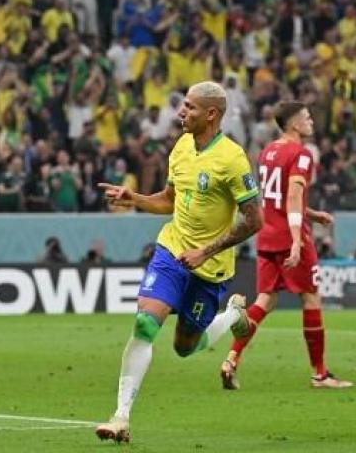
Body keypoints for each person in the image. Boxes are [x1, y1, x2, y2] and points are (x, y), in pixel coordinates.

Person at [94, 81, 262, 443]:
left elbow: (253, 220)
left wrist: (206, 251)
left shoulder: (233, 158)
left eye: (190, 107)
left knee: (184, 347)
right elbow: (170, 199)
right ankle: (121, 416)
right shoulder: (182, 146)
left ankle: (233, 315)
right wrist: (135, 198)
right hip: (172, 249)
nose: (181, 112)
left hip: (210, 267)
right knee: (145, 323)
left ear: (212, 114)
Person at [220, 101, 353, 391]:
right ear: (294, 124)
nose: (311, 121)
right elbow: (292, 197)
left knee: (265, 301)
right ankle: (320, 374)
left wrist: (312, 214)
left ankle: (231, 359)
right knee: (311, 298)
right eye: (307, 117)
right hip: (290, 236)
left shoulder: (268, 152)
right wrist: (296, 240)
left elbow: (276, 199)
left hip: (267, 234)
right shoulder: (301, 154)